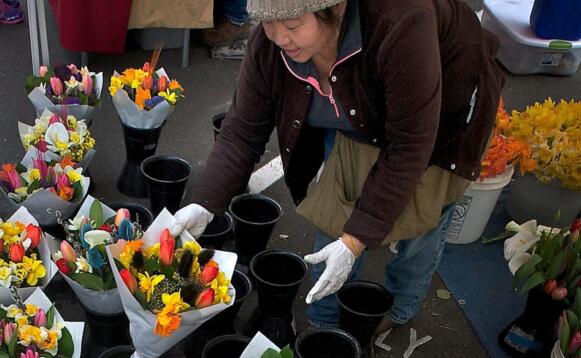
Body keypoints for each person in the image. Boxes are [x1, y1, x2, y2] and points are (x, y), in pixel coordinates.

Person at [175, 0, 503, 338]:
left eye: (291, 25)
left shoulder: (401, 24)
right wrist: (204, 202)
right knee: (337, 214)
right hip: (358, 108)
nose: (279, 38)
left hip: (443, 106)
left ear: (335, 8)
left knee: (422, 220)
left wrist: (356, 240)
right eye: (266, 23)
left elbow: (408, 148)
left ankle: (402, 304)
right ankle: (324, 318)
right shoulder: (269, 45)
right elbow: (241, 132)